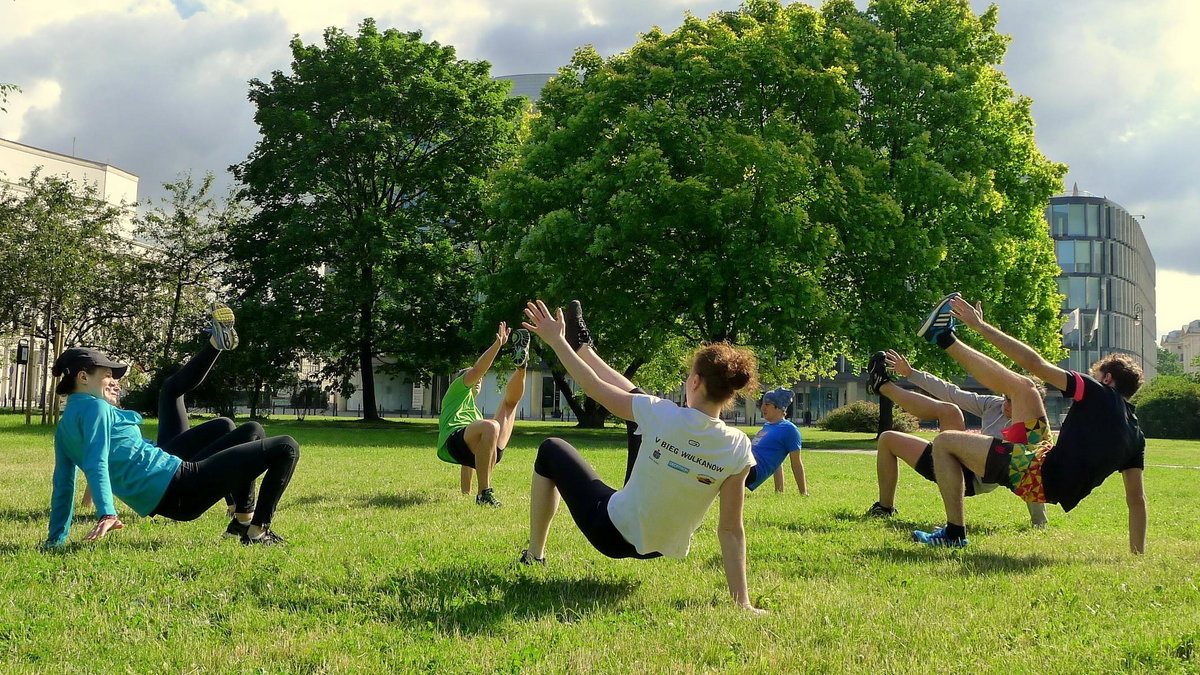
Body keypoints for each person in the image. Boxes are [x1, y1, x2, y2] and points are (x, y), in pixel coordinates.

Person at [520, 299, 766, 614]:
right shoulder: (737, 447)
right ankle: (585, 349)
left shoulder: (660, 415)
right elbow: (731, 530)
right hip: (657, 549)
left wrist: (555, 341)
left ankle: (534, 555)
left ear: (694, 382)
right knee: (640, 411)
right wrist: (742, 603)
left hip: (609, 531)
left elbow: (593, 388)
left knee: (552, 448)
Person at [46, 308, 301, 547]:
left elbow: (63, 485)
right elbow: (96, 461)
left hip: (173, 487)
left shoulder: (65, 426)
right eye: (107, 375)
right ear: (82, 377)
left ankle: (242, 523)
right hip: (179, 486)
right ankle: (258, 532)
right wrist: (107, 512)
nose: (114, 382)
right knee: (287, 447)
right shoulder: (96, 409)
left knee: (250, 432)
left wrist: (55, 539)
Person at [910, 292, 1146, 551]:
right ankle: (942, 335)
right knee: (1025, 388)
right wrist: (1137, 553)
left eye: (1095, 374)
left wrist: (979, 326)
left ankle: (954, 534)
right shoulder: (1135, 436)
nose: (1092, 377)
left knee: (944, 442)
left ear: (1107, 378)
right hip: (1047, 465)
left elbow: (1035, 363)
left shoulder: (1099, 392)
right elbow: (1136, 500)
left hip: (1035, 473)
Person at [863, 349, 1049, 528]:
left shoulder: (1031, 431)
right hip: (949, 460)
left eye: (1013, 401)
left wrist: (1039, 521)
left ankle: (883, 386)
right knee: (888, 439)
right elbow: (951, 392)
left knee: (950, 414)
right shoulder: (993, 405)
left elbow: (1032, 475)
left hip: (973, 479)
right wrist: (911, 373)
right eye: (1006, 397)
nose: (1006, 404)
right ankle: (884, 508)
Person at [435, 322, 531, 507]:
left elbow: (468, 463)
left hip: (473, 447)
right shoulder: (456, 391)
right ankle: (485, 493)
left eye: (481, 380)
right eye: (475, 378)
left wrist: (464, 493)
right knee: (490, 426)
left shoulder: (475, 413)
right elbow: (479, 369)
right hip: (452, 440)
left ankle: (522, 368)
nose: (479, 380)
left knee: (510, 404)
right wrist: (498, 345)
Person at [747, 388, 806, 495]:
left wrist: (803, 493)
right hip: (744, 463)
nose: (763, 408)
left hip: (751, 470)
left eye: (767, 404)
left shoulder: (789, 429)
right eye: (762, 404)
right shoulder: (768, 426)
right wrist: (779, 491)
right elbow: (777, 462)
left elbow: (796, 463)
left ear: (779, 408)